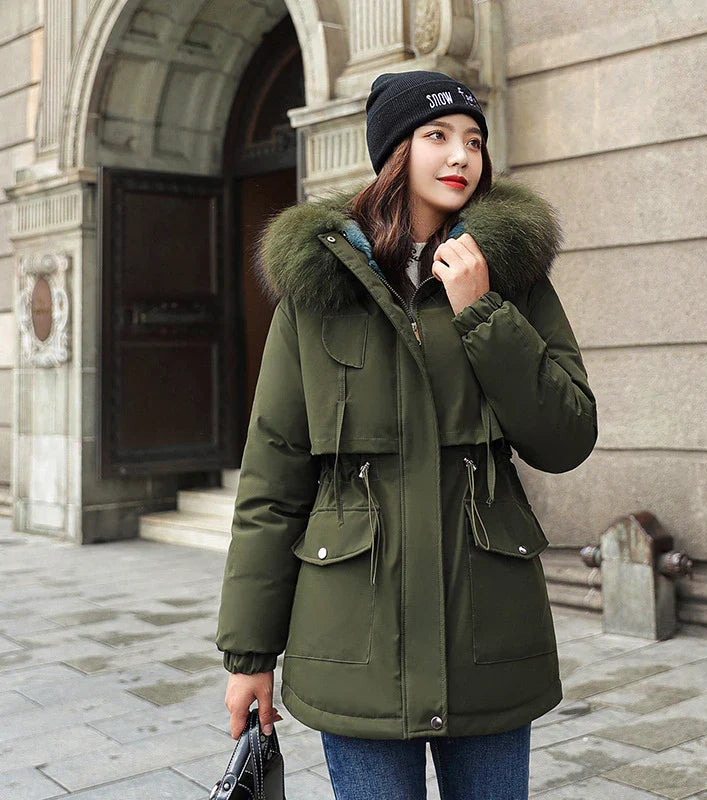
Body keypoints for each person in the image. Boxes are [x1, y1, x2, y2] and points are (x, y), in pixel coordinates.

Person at [216, 70, 598, 799]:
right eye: (438, 136)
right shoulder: (319, 287)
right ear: (394, 151)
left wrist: (483, 312)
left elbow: (568, 435)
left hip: (486, 633)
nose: (462, 156)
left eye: (474, 140)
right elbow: (273, 477)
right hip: (353, 642)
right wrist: (248, 655)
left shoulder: (509, 275)